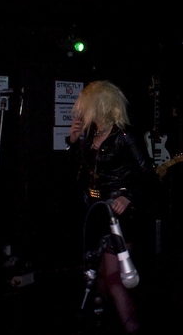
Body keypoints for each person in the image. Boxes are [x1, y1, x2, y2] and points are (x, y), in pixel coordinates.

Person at [66, 80, 159, 335]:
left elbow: (149, 177)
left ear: (100, 105)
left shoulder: (124, 137)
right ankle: (107, 321)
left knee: (114, 277)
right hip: (96, 210)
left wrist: (129, 196)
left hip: (119, 213)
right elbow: (79, 175)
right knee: (99, 276)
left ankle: (134, 328)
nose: (82, 111)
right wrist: (73, 142)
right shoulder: (90, 135)